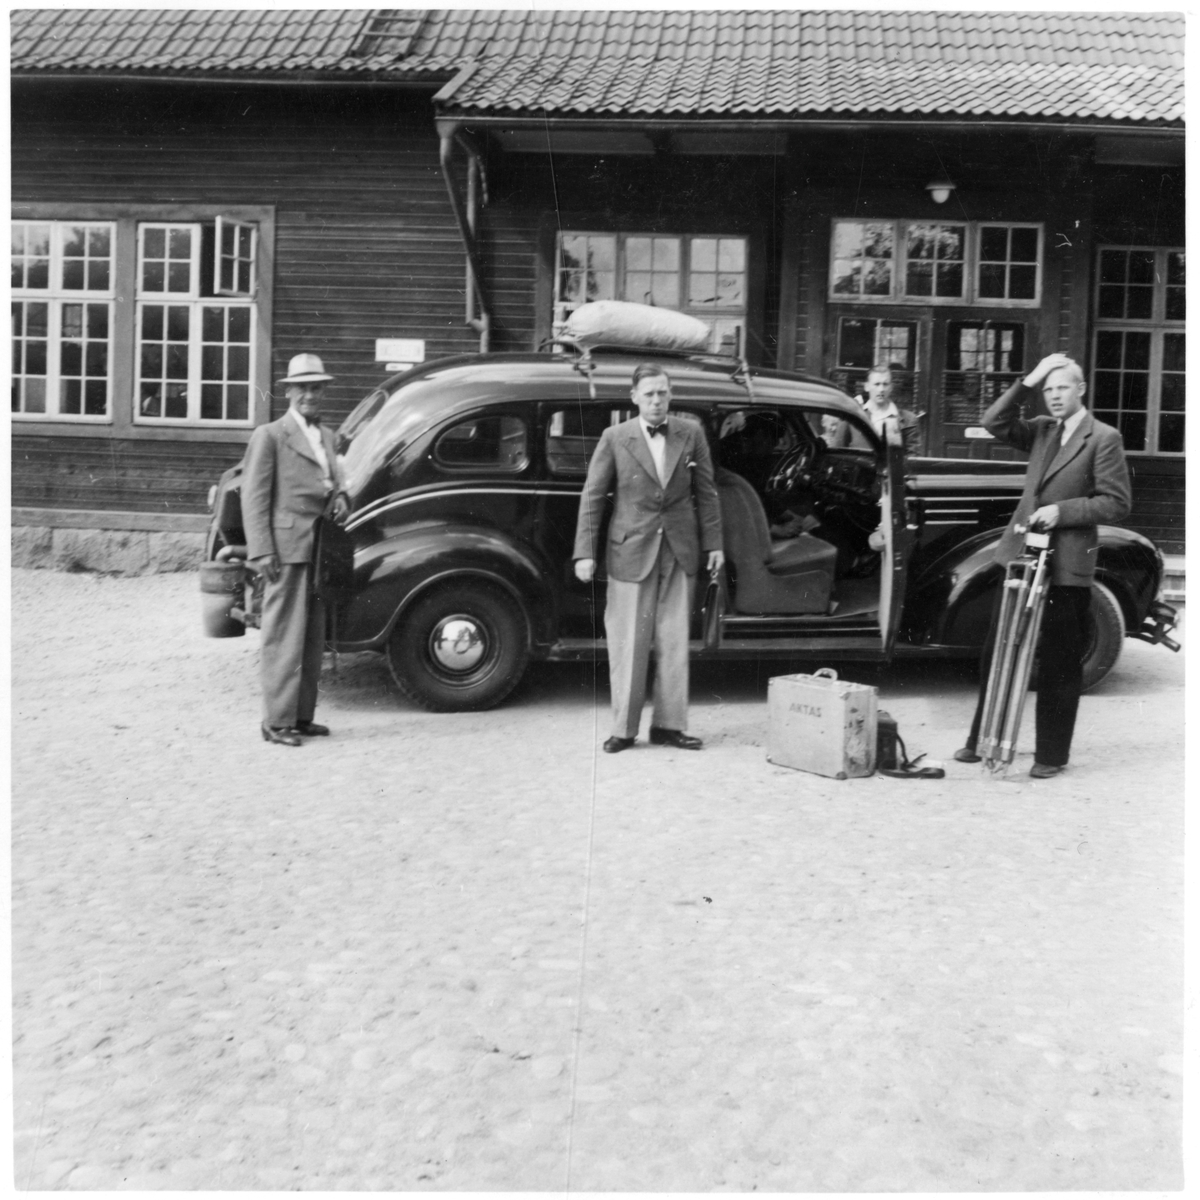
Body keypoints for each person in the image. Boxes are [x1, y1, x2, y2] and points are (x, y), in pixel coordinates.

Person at [954, 352, 1132, 778]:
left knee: (1058, 660)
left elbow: (1117, 502)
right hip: (1021, 556)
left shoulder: (1104, 437)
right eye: (1048, 389)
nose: (1054, 396)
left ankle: (1051, 755)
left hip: (1067, 564)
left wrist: (1062, 512)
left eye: (1062, 387)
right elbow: (994, 420)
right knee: (998, 650)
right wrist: (1029, 379)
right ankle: (983, 740)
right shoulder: (1042, 430)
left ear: (1081, 389)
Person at [573, 364, 724, 752]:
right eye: (649, 394)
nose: (657, 401)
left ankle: (670, 726)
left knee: (674, 641)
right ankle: (624, 730)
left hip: (679, 549)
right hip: (631, 550)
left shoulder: (691, 433)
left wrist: (714, 544)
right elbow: (592, 495)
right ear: (634, 397)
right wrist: (584, 552)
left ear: (670, 395)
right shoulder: (615, 437)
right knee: (629, 642)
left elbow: (707, 492)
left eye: (662, 393)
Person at [242, 353, 349, 747]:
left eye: (316, 387)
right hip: (285, 550)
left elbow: (334, 484)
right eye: (302, 387)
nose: (310, 394)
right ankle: (276, 721)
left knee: (311, 637)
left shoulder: (328, 437)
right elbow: (254, 496)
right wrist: (261, 550)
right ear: (288, 391)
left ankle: (301, 717)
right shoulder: (270, 435)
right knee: (283, 636)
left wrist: (342, 499)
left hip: (319, 549)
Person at [832, 364, 921, 453]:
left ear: (891, 387)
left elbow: (912, 457)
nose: (881, 389)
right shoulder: (852, 415)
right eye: (876, 384)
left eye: (885, 384)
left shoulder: (908, 420)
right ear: (867, 386)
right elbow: (837, 452)